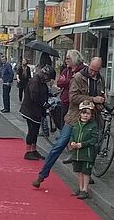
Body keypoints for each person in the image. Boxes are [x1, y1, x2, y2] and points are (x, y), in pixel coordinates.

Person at [32, 57, 105, 188]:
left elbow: (102, 95)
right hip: (74, 118)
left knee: (91, 147)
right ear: (88, 66)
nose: (93, 73)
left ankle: (86, 174)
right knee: (59, 145)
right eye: (92, 70)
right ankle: (42, 175)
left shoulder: (100, 79)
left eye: (96, 71)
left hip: (90, 119)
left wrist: (101, 103)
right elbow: (73, 97)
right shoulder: (78, 77)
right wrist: (93, 99)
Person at [20, 65, 55, 160]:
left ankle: (33, 150)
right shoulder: (35, 81)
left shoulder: (40, 81)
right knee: (32, 131)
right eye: (49, 78)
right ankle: (28, 151)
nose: (49, 80)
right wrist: (44, 104)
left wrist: (49, 95)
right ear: (45, 75)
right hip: (30, 110)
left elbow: (42, 92)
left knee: (35, 131)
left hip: (35, 111)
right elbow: (34, 97)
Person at [69, 100, 98, 200]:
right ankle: (80, 188)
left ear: (91, 115)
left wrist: (82, 144)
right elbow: (72, 136)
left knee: (86, 172)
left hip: (87, 154)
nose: (85, 115)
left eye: (88, 114)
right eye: (83, 113)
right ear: (80, 113)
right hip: (77, 153)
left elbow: (94, 139)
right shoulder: (76, 125)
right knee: (79, 171)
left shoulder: (93, 126)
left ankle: (85, 189)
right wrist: (72, 142)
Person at [57, 50, 85, 120]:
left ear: (74, 58)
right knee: (63, 122)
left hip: (77, 102)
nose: (65, 61)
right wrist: (71, 81)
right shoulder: (66, 70)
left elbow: (80, 84)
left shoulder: (83, 70)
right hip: (65, 101)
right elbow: (59, 83)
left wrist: (66, 81)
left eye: (68, 58)